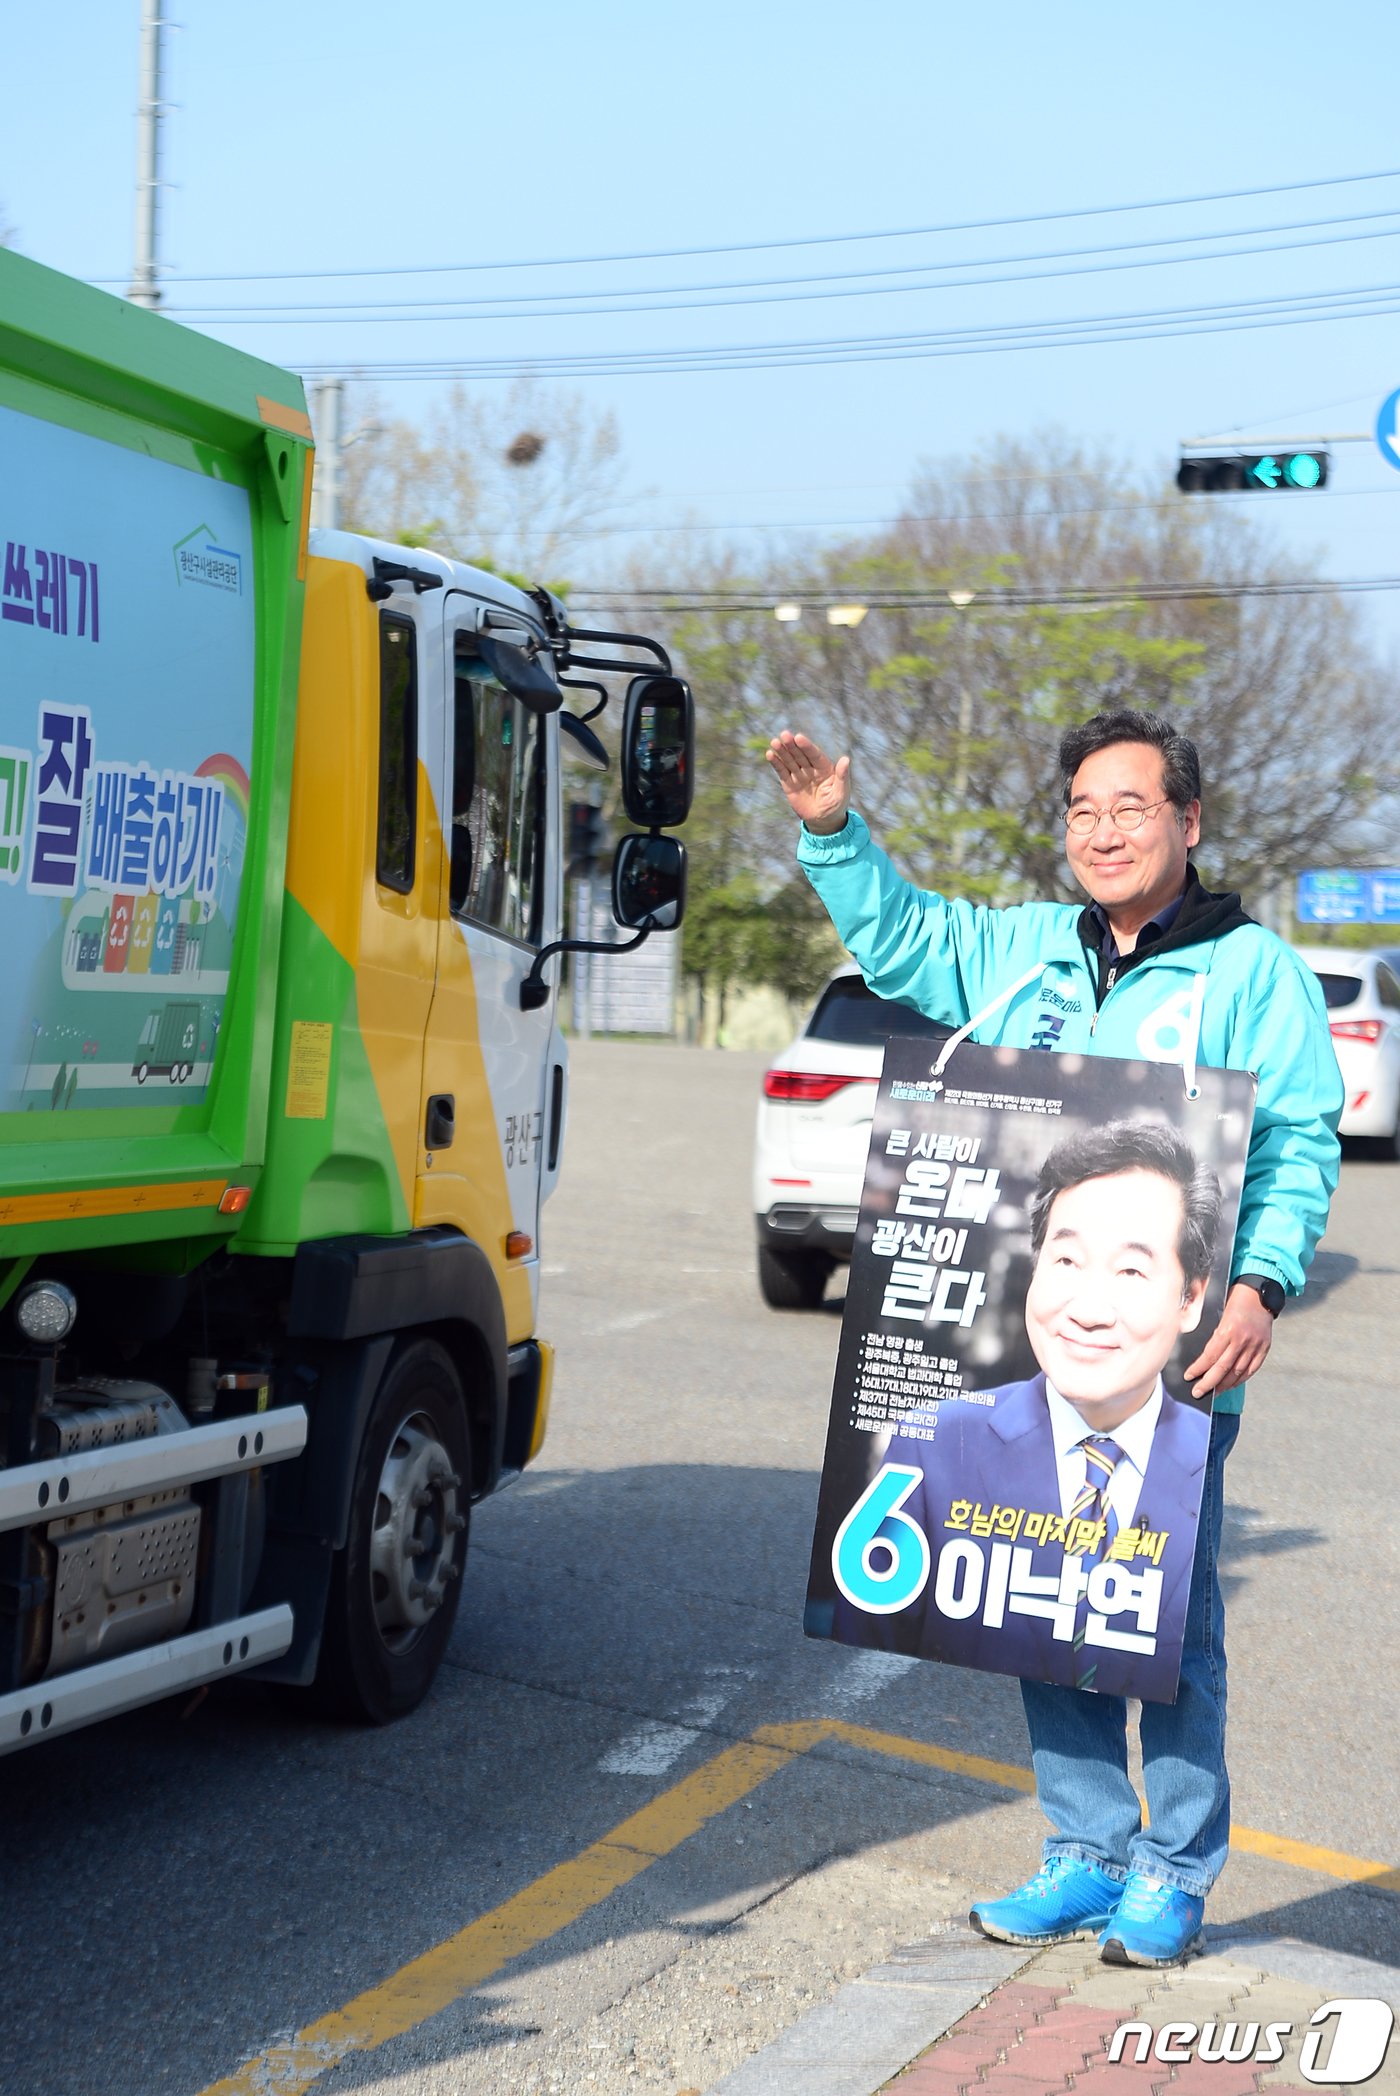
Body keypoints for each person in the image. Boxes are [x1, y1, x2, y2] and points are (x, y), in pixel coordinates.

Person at [768, 708, 1342, 1967]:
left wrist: (1257, 1283)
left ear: (1187, 821)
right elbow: (907, 938)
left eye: (1129, 807)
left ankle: (1174, 1868)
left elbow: (1297, 1144)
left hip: (1173, 1362)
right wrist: (831, 833)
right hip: (1031, 1339)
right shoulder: (1023, 951)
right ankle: (1082, 1852)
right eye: (1082, 809)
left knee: (1163, 1618)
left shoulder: (1252, 972)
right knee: (1042, 1594)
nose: (1102, 830)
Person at [842, 1119, 1218, 1696]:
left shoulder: (1205, 1462)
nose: (1088, 1309)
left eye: (1131, 1271)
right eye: (1066, 1262)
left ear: (1190, 1298)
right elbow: (868, 1616)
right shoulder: (937, 1442)